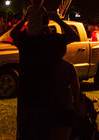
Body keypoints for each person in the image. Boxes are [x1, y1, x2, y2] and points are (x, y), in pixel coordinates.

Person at [14, 7, 79, 139]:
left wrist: (24, 19)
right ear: (46, 23)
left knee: (25, 131)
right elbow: (74, 36)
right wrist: (58, 20)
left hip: (27, 96)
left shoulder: (25, 39)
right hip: (45, 98)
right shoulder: (51, 40)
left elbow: (13, 33)